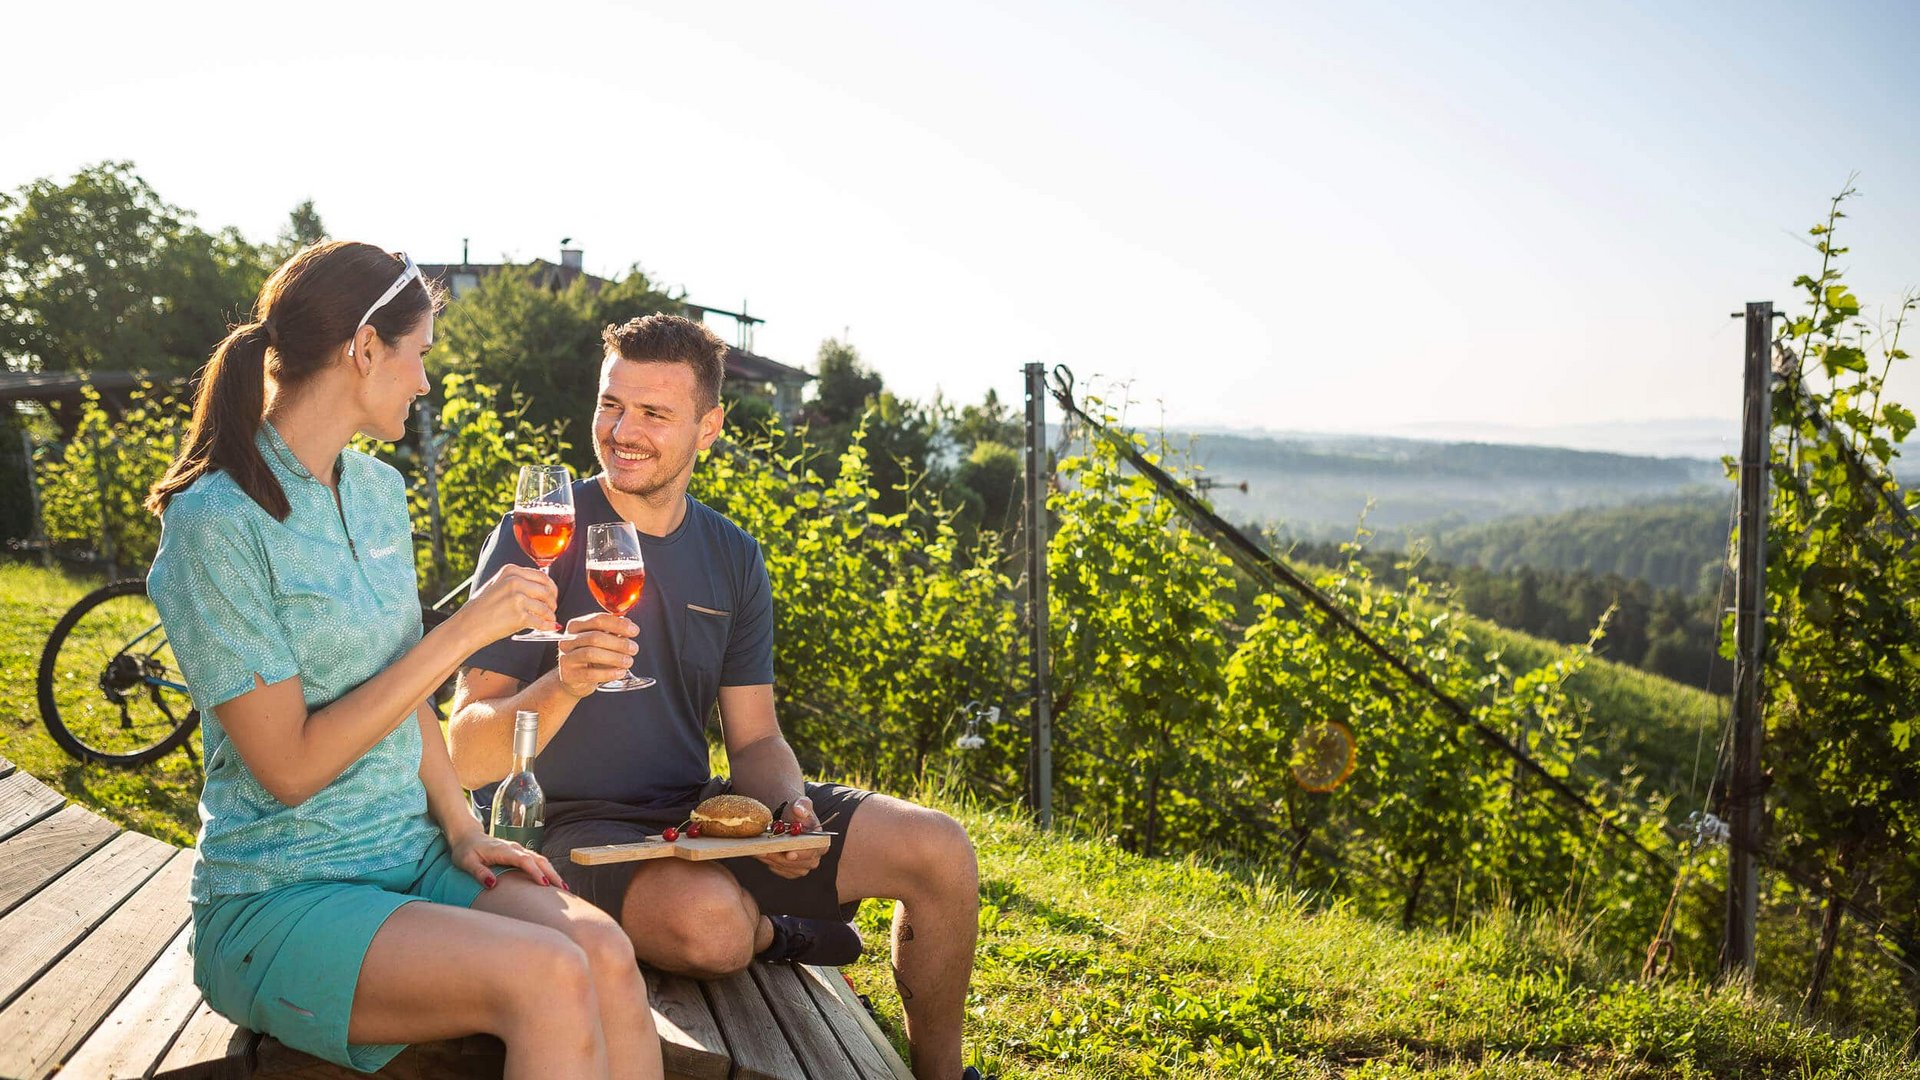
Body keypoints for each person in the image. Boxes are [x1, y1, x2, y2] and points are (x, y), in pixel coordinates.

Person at [145, 242, 661, 1080]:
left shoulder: (379, 493)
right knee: (549, 976)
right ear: (364, 348)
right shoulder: (216, 524)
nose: (424, 381)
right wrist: (457, 635)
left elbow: (403, 689)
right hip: (283, 892)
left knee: (601, 948)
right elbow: (288, 769)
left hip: (413, 858)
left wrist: (462, 826)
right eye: (418, 355)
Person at [449, 314, 982, 1080]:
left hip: (696, 817)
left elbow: (756, 738)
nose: (621, 431)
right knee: (711, 928)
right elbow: (467, 752)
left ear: (710, 428)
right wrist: (563, 683)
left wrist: (788, 809)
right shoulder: (540, 532)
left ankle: (943, 1075)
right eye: (610, 405)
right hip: (570, 831)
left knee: (940, 850)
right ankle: (777, 931)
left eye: (653, 414)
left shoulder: (732, 555)